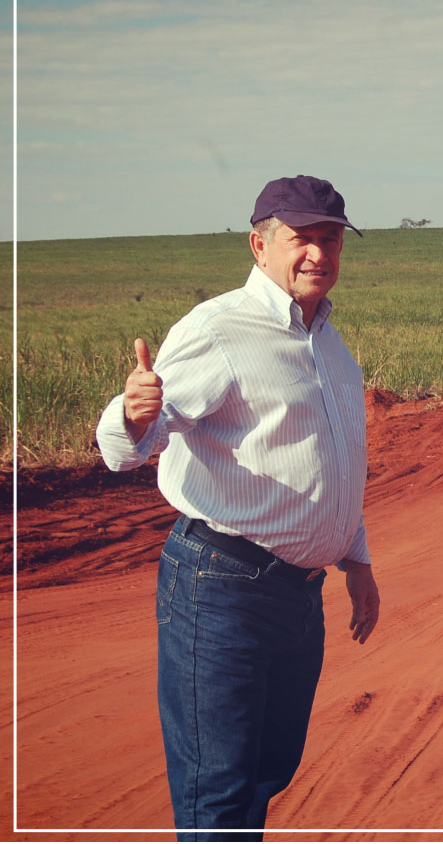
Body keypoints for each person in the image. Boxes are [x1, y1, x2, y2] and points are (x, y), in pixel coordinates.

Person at [95, 175, 381, 841]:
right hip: (219, 587)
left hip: (298, 595)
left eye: (330, 239)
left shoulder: (331, 348)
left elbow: (334, 463)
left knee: (266, 770)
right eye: (300, 239)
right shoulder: (219, 328)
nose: (317, 253)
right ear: (260, 245)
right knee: (216, 792)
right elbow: (131, 443)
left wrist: (356, 560)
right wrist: (132, 416)